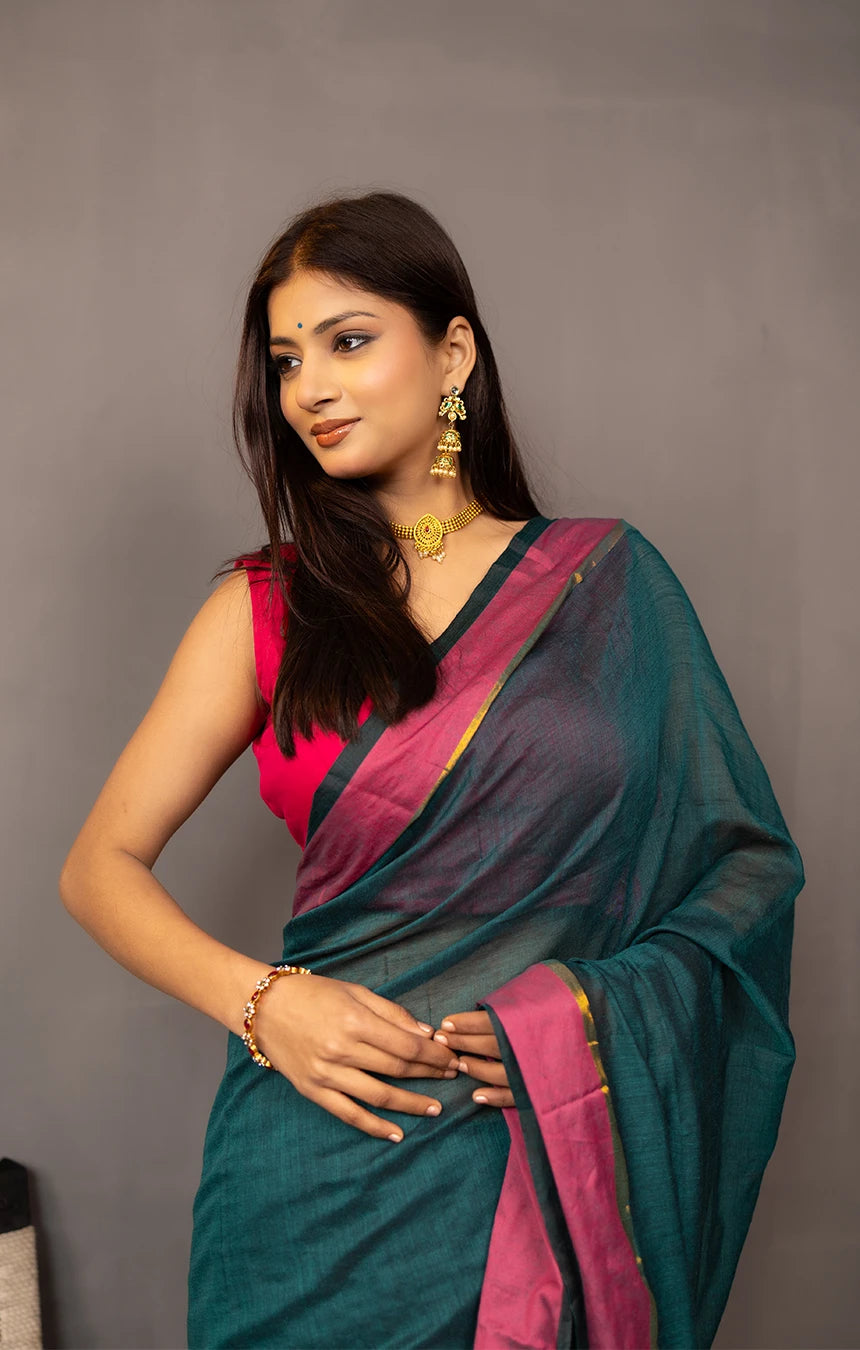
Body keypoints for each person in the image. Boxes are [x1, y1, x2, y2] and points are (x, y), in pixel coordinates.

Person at [59, 190, 805, 1350]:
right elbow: (98, 868)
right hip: (308, 1168)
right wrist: (266, 1005)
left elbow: (743, 870)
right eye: (285, 359)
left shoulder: (607, 588)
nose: (309, 387)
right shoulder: (266, 605)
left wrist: (581, 1020)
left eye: (349, 341)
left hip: (532, 1158)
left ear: (452, 350)